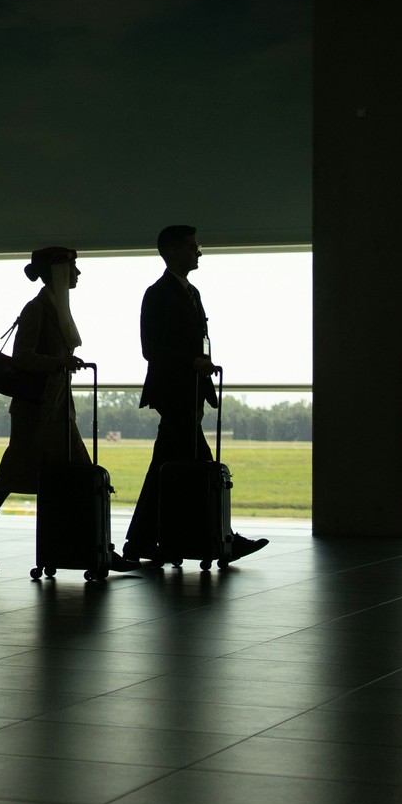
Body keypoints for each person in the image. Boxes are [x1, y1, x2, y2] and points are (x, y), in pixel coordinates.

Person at [0, 246, 142, 575]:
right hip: (36, 413)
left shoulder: (56, 308)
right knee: (15, 478)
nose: (77, 274)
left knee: (78, 477)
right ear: (57, 272)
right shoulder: (37, 310)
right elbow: (23, 356)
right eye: (72, 268)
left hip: (56, 410)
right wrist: (59, 362)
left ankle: (99, 547)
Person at [121, 225, 268, 565]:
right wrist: (193, 362)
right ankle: (223, 539)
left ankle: (139, 542)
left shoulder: (192, 293)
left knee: (163, 468)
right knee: (203, 467)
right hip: (174, 394)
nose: (198, 252)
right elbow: (151, 348)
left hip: (191, 394)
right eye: (192, 247)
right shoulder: (157, 294)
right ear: (172, 252)